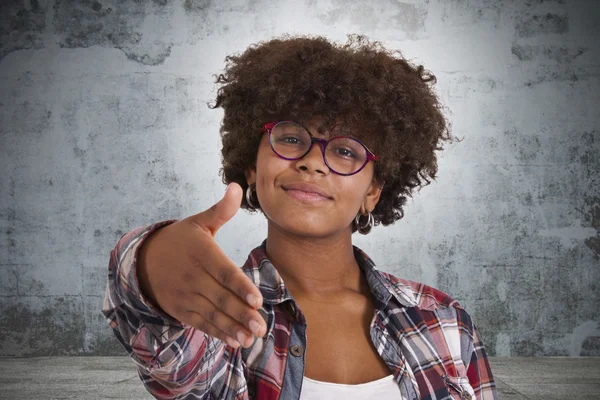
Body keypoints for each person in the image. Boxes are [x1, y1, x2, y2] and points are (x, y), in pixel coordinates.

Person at [102, 34, 498, 399]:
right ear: (252, 166)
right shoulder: (215, 316)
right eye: (291, 139)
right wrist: (148, 263)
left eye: (345, 151)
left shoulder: (443, 318)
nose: (313, 162)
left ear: (373, 191)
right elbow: (157, 335)